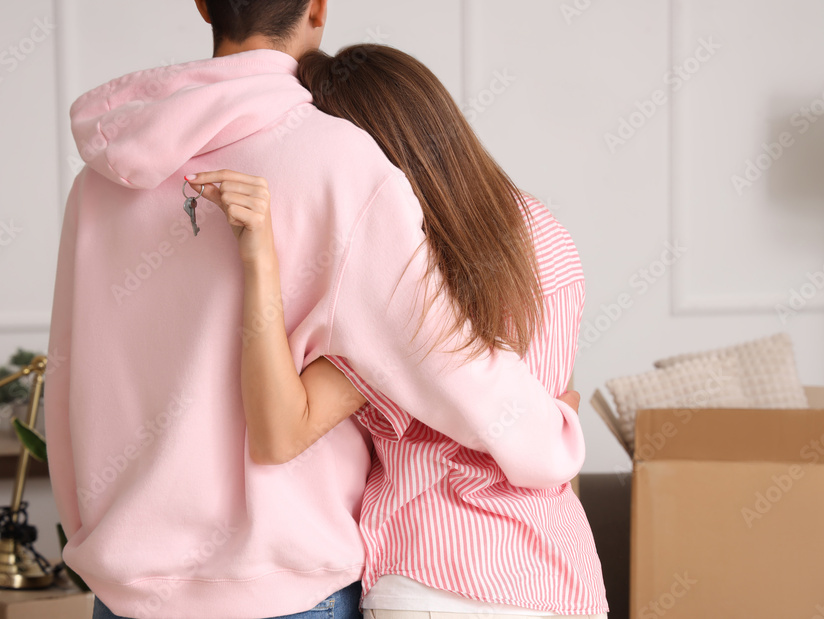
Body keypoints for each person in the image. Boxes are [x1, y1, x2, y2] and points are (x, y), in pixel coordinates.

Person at [45, 0, 587, 618]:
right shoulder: (339, 161)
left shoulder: (99, 183)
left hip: (126, 591)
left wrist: (95, 537)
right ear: (320, 4)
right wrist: (549, 430)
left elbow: (71, 379)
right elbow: (439, 350)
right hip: (283, 589)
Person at [187, 44, 609, 618]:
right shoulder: (546, 234)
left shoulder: (389, 276)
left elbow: (279, 433)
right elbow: (558, 396)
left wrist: (259, 259)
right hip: (558, 577)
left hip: (431, 575)